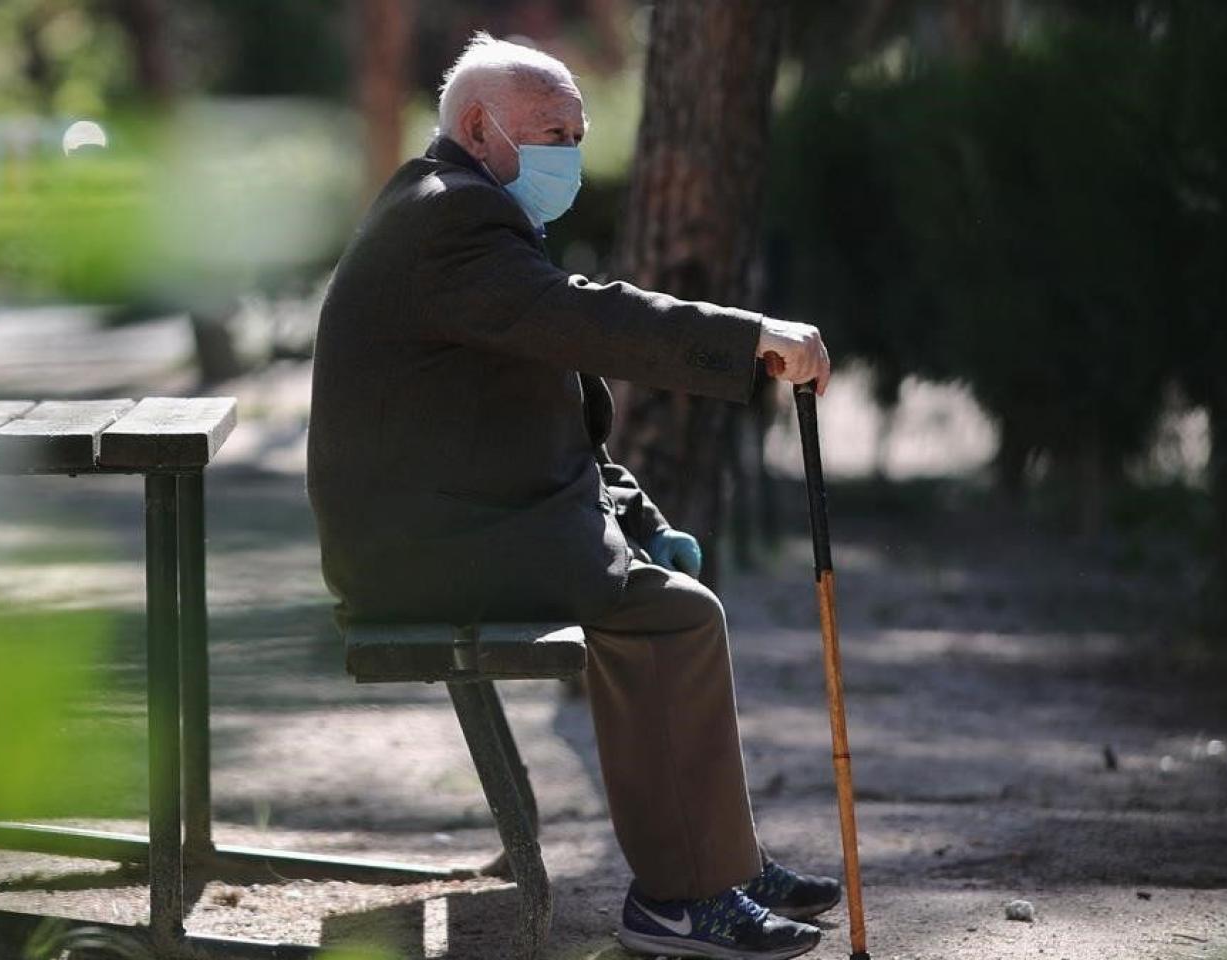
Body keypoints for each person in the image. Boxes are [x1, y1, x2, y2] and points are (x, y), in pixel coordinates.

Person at [307, 32, 837, 960]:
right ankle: (682, 899)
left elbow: (548, 417)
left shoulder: (452, 206)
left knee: (669, 604)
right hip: (419, 553)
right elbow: (588, 319)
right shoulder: (452, 222)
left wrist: (641, 519)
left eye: (577, 132)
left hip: (444, 529)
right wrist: (751, 334)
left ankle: (718, 866)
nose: (571, 154)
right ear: (478, 128)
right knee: (673, 618)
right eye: (553, 131)